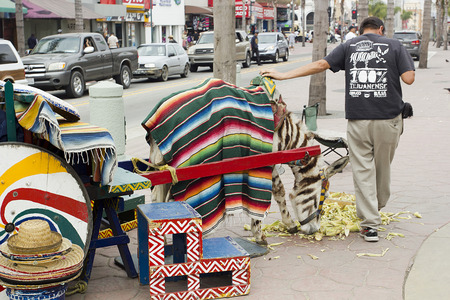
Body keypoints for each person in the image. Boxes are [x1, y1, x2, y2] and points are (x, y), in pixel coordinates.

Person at [260, 17, 415, 243]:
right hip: (388, 120)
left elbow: (321, 65)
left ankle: (370, 225)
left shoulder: (349, 46)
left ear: (361, 32)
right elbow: (409, 79)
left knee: (362, 171)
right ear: (381, 30)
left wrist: (283, 75)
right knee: (383, 168)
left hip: (358, 120)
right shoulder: (394, 45)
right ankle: (376, 207)